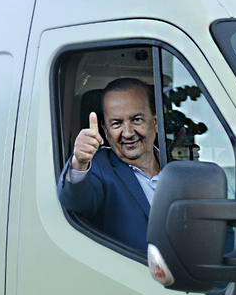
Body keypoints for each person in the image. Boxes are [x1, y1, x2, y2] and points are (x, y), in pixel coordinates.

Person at [58, 77, 161, 251]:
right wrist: (79, 162)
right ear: (105, 131)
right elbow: (75, 202)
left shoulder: (178, 169)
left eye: (136, 120)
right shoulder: (98, 167)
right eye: (116, 123)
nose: (128, 133)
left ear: (155, 123)